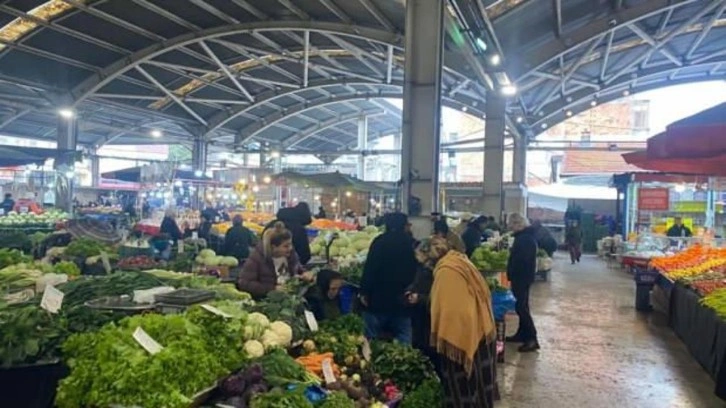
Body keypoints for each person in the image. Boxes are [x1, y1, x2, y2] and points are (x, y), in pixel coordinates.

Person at [418, 236, 497, 407]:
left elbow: (448, 312)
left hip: (460, 338)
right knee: (481, 391)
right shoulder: (460, 261)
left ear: (430, 258)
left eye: (424, 262)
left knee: (462, 391)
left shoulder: (445, 272)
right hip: (481, 331)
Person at [360, 212, 418, 344]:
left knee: (371, 339)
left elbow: (370, 268)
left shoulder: (379, 242)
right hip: (402, 300)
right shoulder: (411, 244)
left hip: (378, 299)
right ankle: (406, 361)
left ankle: (371, 361)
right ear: (404, 226)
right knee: (404, 337)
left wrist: (364, 291)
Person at [237, 222, 310, 298]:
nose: (290, 248)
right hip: (269, 301)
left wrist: (304, 274)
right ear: (274, 247)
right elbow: (244, 283)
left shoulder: (291, 255)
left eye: (290, 244)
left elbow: (298, 269)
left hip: (291, 298)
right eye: (286, 246)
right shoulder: (257, 258)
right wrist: (272, 289)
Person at [506, 213, 539, 352]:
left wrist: (513, 271)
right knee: (521, 305)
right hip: (522, 277)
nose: (510, 227)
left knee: (521, 307)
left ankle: (532, 338)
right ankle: (522, 334)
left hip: (521, 277)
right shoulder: (525, 237)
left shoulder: (524, 239)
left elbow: (522, 260)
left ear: (518, 224)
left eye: (512, 225)